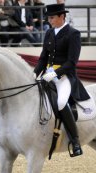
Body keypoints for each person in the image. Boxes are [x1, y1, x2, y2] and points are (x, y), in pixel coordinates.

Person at [34, 3, 90, 157]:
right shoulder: (49, 33)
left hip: (65, 76)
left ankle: (75, 141)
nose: (49, 21)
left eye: (52, 17)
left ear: (61, 16)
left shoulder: (73, 34)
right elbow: (43, 58)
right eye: (49, 18)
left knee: (60, 102)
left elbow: (72, 62)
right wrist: (34, 74)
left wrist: (55, 73)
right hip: (47, 74)